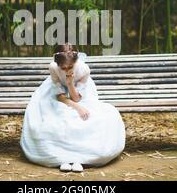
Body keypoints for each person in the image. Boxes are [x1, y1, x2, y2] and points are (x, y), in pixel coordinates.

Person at [20, 43, 126, 172]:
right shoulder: (53, 67)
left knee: (89, 119)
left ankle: (79, 158)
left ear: (76, 61)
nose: (67, 70)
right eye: (63, 68)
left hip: (80, 93)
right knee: (56, 117)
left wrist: (70, 83)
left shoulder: (83, 69)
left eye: (70, 67)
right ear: (58, 65)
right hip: (58, 95)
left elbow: (77, 98)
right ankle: (63, 158)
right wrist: (77, 107)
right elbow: (60, 97)